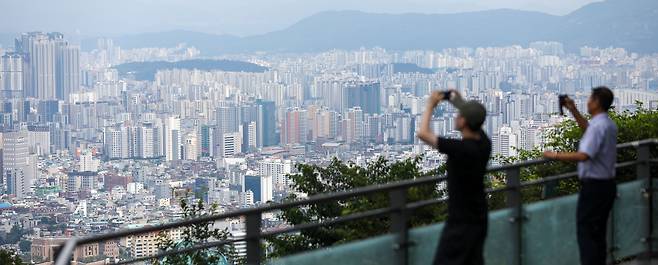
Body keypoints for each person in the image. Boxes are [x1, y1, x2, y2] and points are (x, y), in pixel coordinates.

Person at [543, 86, 617, 265]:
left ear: (597, 102)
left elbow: (584, 155)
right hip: (607, 185)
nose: (588, 102)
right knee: (598, 233)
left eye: (590, 99)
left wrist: (555, 155)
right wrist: (573, 110)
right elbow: (589, 130)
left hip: (594, 188)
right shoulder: (607, 124)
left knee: (587, 234)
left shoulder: (598, 127)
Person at [417, 89, 491, 265]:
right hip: (480, 218)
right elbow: (475, 120)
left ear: (463, 121)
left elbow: (423, 134)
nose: (456, 117)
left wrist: (430, 104)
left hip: (460, 223)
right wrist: (459, 103)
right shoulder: (484, 144)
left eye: (459, 115)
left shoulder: (461, 149)